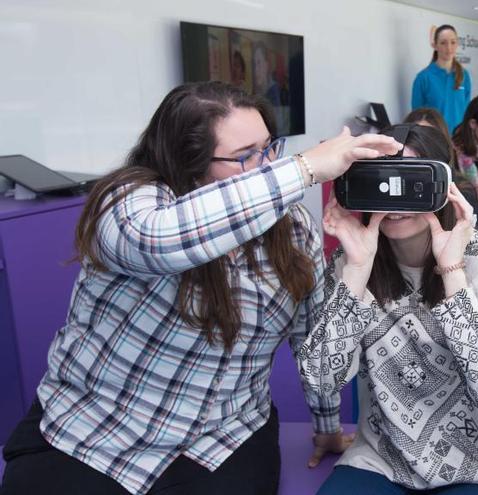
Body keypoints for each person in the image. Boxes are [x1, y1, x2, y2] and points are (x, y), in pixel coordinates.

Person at [0, 81, 402, 495]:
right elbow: (161, 242)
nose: (265, 166)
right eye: (245, 157)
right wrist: (305, 167)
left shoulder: (293, 229)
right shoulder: (129, 202)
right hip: (93, 433)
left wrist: (327, 428)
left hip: (223, 439)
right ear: (187, 162)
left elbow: (309, 339)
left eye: (269, 148)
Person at [300, 123, 478, 495]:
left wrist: (452, 271)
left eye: (412, 181)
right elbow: (319, 381)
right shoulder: (348, 263)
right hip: (381, 459)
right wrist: (357, 270)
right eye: (383, 180)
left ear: (443, 184)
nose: (396, 198)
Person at [403, 107, 478, 211]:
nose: (421, 146)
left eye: (428, 139)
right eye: (415, 138)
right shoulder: (397, 187)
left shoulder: (464, 192)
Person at [412, 25, 472, 133]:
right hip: (434, 140)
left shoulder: (464, 76)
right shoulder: (423, 78)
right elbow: (416, 118)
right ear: (435, 45)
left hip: (459, 141)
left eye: (453, 42)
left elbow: (467, 112)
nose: (449, 48)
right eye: (443, 43)